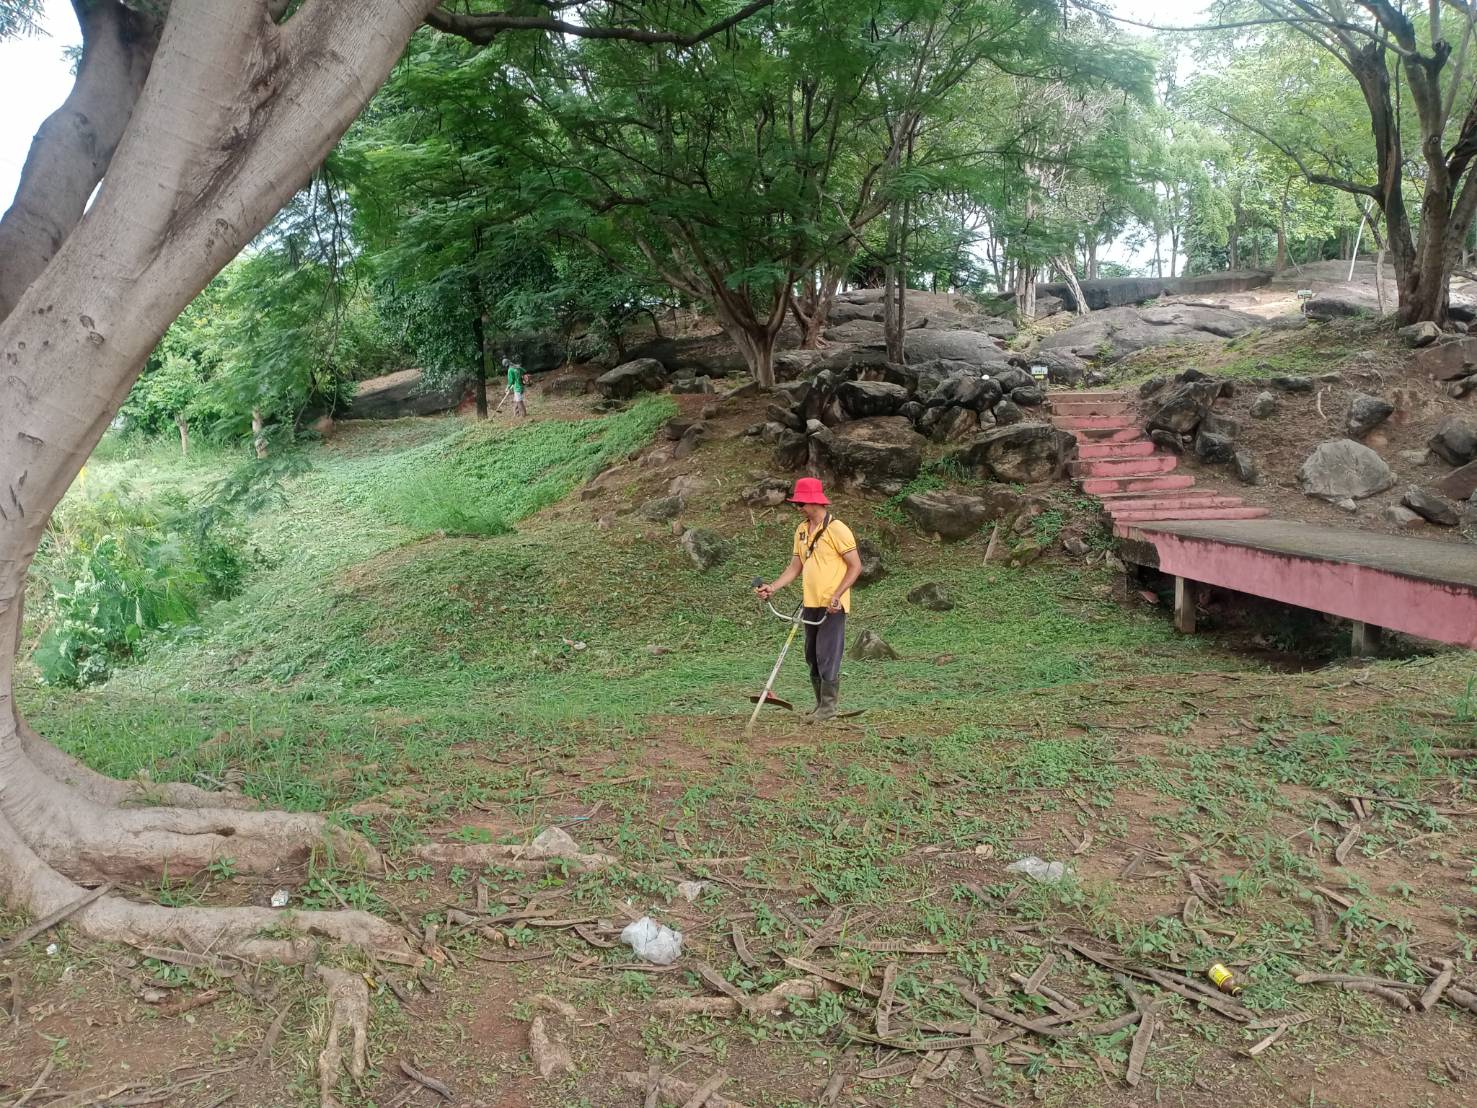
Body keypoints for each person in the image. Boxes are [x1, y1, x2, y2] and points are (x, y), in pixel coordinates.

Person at [755, 477, 863, 722]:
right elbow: (795, 567)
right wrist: (773, 587)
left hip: (832, 607)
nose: (798, 508)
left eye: (801, 503)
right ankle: (820, 706)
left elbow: (856, 566)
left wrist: (837, 595)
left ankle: (829, 708)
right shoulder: (802, 530)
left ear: (815, 502)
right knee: (812, 655)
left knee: (828, 654)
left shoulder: (837, 529)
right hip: (810, 603)